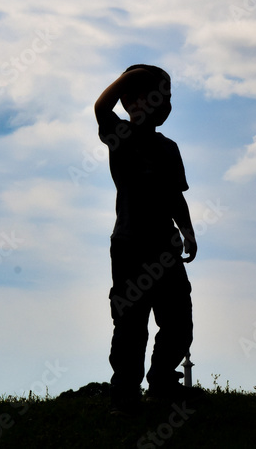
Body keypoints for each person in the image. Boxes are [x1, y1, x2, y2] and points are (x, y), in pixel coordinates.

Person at [94, 64, 196, 415]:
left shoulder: (169, 148)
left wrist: (188, 231)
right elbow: (100, 108)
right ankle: (124, 395)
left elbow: (175, 196)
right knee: (130, 323)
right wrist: (129, 78)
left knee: (179, 321)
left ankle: (162, 384)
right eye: (132, 98)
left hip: (165, 247)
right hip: (129, 245)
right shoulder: (118, 134)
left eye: (148, 97)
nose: (138, 103)